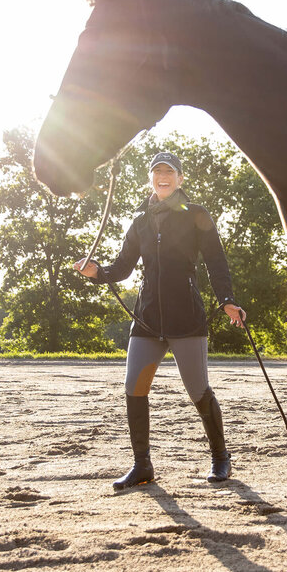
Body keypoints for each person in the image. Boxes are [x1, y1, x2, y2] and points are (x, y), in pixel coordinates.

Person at [75, 151, 247, 490]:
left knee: (198, 390)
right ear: (150, 178)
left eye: (170, 172)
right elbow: (122, 267)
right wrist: (97, 273)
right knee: (133, 389)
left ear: (181, 179)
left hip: (187, 318)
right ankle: (142, 465)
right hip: (148, 319)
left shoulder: (197, 214)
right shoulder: (140, 220)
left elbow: (216, 261)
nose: (163, 176)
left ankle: (220, 457)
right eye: (157, 172)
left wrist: (226, 300)